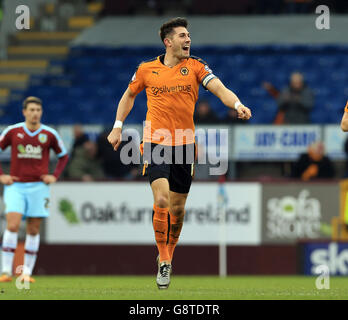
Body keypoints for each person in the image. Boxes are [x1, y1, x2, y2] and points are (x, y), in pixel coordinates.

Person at [107, 17, 251, 289]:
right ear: (168, 41)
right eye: (183, 35)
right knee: (161, 200)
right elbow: (128, 96)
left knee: (178, 209)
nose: (188, 39)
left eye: (189, 35)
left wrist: (238, 104)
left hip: (185, 146)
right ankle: (163, 259)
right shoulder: (147, 69)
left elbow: (220, 88)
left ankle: (168, 258)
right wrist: (117, 127)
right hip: (155, 142)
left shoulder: (195, 66)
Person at [0, 96, 69, 283]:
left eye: (38, 110)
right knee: (12, 225)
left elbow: (63, 156)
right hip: (16, 186)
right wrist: (1, 175)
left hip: (39, 187)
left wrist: (54, 175)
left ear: (41, 112)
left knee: (33, 229)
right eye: (31, 110)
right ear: (24, 112)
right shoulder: (13, 131)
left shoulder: (49, 134)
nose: (35, 113)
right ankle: (5, 271)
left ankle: (27, 273)